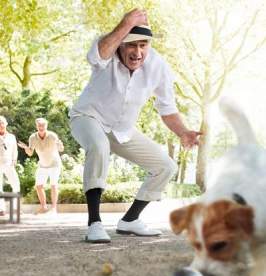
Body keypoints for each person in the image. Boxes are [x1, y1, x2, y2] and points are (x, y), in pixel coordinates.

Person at [70, 8, 201, 243]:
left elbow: (167, 108)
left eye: (143, 45)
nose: (138, 52)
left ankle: (130, 220)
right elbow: (95, 56)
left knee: (166, 166)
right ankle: (94, 223)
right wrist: (126, 23)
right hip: (87, 118)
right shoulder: (107, 50)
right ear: (121, 43)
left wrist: (183, 132)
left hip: (122, 130)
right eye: (131, 44)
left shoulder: (158, 66)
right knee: (99, 146)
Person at [18, 118, 64, 214]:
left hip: (54, 164)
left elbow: (61, 149)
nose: (41, 127)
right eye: (39, 126)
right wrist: (26, 148)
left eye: (43, 125)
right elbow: (30, 153)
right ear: (36, 126)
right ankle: (43, 207)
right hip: (42, 164)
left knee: (54, 185)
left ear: (46, 126)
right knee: (39, 186)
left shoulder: (52, 136)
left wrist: (61, 145)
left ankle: (54, 208)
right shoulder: (32, 137)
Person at [0, 116, 20, 216]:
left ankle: (16, 208)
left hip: (9, 164)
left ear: (6, 124)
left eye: (2, 123)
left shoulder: (11, 137)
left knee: (15, 184)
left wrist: (14, 160)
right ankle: (1, 209)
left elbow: (15, 150)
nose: (1, 125)